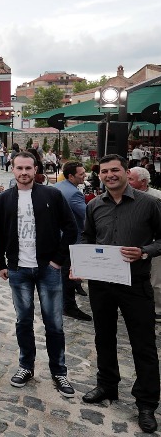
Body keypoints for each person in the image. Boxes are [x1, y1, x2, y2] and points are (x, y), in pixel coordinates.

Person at [79, 155, 161, 433]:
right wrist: (80, 262)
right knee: (104, 336)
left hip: (135, 283)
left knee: (143, 344)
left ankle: (147, 403)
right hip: (101, 283)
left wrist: (145, 251)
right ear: (99, 175)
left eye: (115, 170)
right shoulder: (94, 205)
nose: (110, 175)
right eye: (105, 172)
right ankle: (107, 385)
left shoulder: (148, 203)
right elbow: (87, 237)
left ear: (126, 172)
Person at [0, 151, 78, 397]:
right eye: (19, 168)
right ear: (12, 168)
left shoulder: (52, 194)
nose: (23, 172)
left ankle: (59, 371)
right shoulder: (5, 199)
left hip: (47, 269)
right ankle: (26, 366)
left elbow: (71, 228)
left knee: (54, 323)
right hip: (18, 269)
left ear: (36, 168)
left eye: (28, 168)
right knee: (23, 321)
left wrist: (57, 260)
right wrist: (1, 263)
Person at [53, 161, 92, 322]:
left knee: (63, 273)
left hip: (57, 236)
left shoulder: (57, 186)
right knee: (68, 273)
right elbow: (87, 217)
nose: (85, 176)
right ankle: (68, 306)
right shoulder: (74, 193)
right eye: (82, 174)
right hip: (71, 239)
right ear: (71, 176)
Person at [126, 167, 161, 322]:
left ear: (143, 182)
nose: (127, 182)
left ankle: (157, 309)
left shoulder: (157, 197)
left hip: (153, 248)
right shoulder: (125, 196)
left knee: (156, 280)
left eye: (131, 179)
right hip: (131, 247)